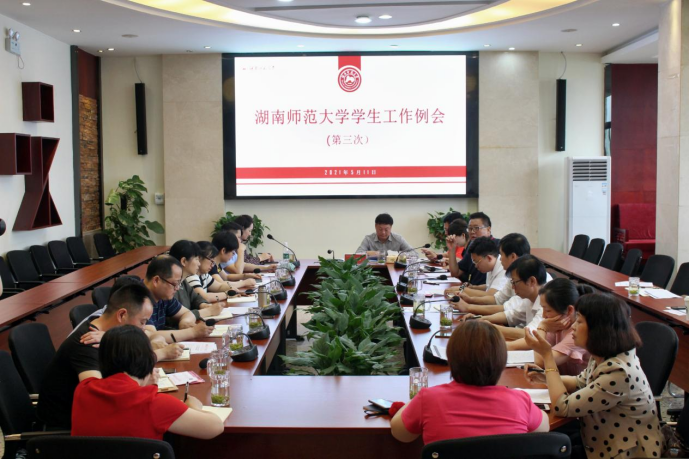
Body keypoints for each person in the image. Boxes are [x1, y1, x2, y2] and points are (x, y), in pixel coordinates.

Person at [524, 293, 664, 459]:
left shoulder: (619, 372)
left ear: (599, 328)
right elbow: (580, 382)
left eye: (579, 321)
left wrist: (548, 356)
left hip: (623, 452)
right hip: (596, 439)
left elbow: (563, 407)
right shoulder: (602, 355)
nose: (573, 326)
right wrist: (546, 376)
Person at [391, 321, 549, 445]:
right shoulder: (520, 401)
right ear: (501, 361)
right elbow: (544, 428)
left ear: (450, 358)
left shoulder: (428, 399)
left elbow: (401, 435)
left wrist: (414, 400)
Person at [72, 325, 224, 440]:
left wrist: (142, 383)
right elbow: (215, 427)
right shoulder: (153, 403)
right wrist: (194, 406)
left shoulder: (83, 389)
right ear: (147, 360)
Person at [37, 284, 157, 429]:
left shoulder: (103, 332)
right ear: (121, 315)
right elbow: (98, 400)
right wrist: (141, 384)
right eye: (142, 322)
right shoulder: (87, 342)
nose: (143, 329)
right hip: (65, 430)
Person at [506, 279, 593, 376]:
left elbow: (541, 360)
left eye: (547, 310)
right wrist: (505, 346)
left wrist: (542, 327)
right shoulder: (559, 324)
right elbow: (533, 343)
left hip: (571, 385)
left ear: (569, 310)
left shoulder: (577, 333)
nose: (543, 316)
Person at [142, 256, 214, 344]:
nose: (177, 288)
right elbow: (151, 336)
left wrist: (185, 321)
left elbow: (186, 313)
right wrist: (193, 332)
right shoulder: (139, 299)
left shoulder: (162, 295)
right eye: (175, 284)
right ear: (156, 281)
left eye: (179, 283)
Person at [481, 255, 548, 341]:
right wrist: (481, 319)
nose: (512, 287)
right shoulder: (530, 297)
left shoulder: (547, 304)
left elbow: (531, 334)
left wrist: (490, 327)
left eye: (515, 282)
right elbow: (511, 315)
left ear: (532, 281)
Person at [169, 240, 224, 318]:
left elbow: (196, 298)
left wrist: (204, 305)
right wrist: (209, 311)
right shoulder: (170, 286)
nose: (199, 263)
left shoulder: (184, 282)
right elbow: (179, 315)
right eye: (197, 259)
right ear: (184, 261)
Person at [451, 212, 498, 286]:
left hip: (488, 290)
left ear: (488, 229)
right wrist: (452, 249)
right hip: (472, 288)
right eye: (470, 229)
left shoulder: (499, 245)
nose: (472, 232)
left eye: (476, 228)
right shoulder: (472, 247)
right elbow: (455, 273)